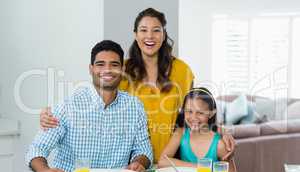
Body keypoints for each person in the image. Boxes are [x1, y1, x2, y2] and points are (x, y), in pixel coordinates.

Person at [39, 8, 235, 163]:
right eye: (143, 30)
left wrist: (220, 130)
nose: (149, 36)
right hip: (133, 161)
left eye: (156, 30)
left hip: (171, 159)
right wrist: (53, 113)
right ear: (135, 34)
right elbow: (95, 101)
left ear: (164, 34)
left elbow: (196, 108)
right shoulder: (121, 70)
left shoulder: (182, 70)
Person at [25, 40, 153, 172]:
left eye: (114, 65)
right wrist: (44, 170)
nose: (108, 70)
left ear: (122, 69)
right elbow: (37, 148)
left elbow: (144, 150)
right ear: (91, 69)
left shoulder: (135, 107)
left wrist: (139, 163)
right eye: (100, 64)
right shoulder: (68, 106)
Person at [158, 87, 236, 172]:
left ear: (211, 113)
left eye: (200, 113)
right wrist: (201, 167)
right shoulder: (180, 134)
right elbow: (162, 162)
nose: (193, 117)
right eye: (189, 111)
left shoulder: (220, 145)